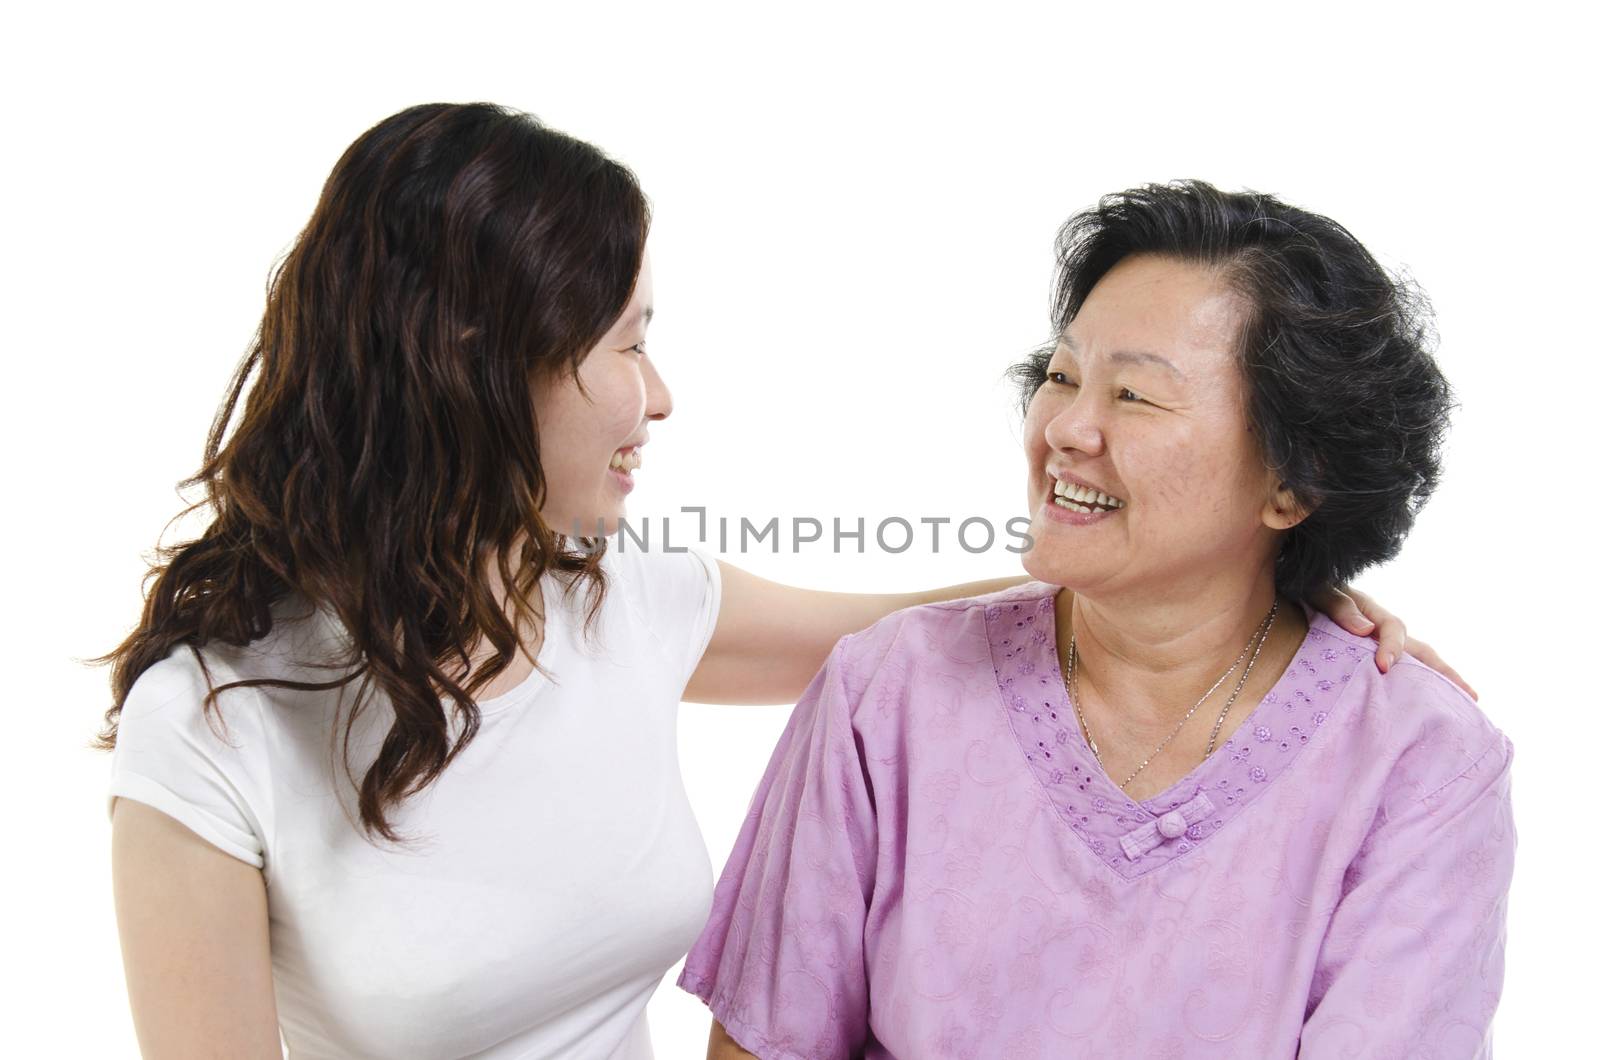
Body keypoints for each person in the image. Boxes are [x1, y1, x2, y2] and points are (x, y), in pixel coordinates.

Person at [96, 106, 1454, 1060]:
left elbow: (938, 631)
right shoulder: (213, 722)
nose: (662, 396)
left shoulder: (622, 601)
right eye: (625, 344)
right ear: (472, 362)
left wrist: (1268, 581)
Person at [679, 181, 1514, 1059]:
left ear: (1294, 481)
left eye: (1135, 397)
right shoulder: (886, 691)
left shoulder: (1419, 760)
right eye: (1061, 376)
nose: (1067, 429)